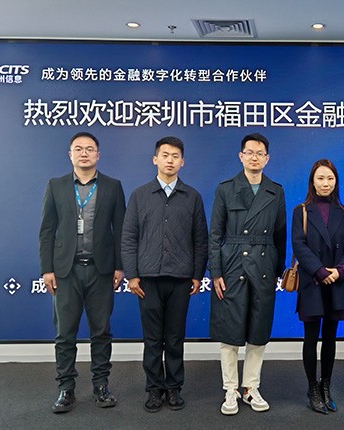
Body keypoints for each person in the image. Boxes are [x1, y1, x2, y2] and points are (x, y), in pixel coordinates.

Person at [39, 131, 126, 413]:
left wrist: (120, 266)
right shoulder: (56, 186)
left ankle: (101, 386)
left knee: (101, 332)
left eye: (90, 149)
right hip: (66, 271)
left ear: (98, 154)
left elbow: (120, 230)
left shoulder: (113, 186)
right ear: (70, 154)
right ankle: (66, 388)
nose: (84, 153)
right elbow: (47, 231)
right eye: (78, 149)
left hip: (101, 271)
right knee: (65, 334)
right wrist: (47, 269)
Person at [121, 136, 208, 412]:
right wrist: (132, 275)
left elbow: (200, 240)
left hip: (181, 279)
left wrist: (197, 275)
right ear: (155, 159)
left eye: (175, 156)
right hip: (147, 279)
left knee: (175, 337)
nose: (170, 160)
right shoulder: (140, 195)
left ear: (182, 162)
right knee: (152, 338)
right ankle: (154, 389)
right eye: (165, 155)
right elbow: (129, 237)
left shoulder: (192, 197)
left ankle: (173, 387)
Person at [209, 133, 286, 415]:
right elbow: (215, 234)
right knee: (229, 332)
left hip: (264, 268)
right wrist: (216, 271)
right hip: (232, 266)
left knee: (258, 330)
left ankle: (251, 387)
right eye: (250, 152)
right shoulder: (225, 189)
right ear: (241, 156)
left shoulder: (275, 191)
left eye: (260, 153)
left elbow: (280, 235)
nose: (255, 157)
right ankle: (230, 388)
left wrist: (277, 271)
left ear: (267, 158)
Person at [291, 159, 344, 414]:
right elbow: (299, 245)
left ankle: (326, 385)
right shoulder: (301, 211)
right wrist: (319, 271)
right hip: (312, 282)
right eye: (320, 178)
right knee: (310, 337)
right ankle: (312, 388)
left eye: (330, 178)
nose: (325, 183)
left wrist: (340, 270)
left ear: (336, 181)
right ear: (312, 181)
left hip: (336, 282)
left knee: (330, 337)